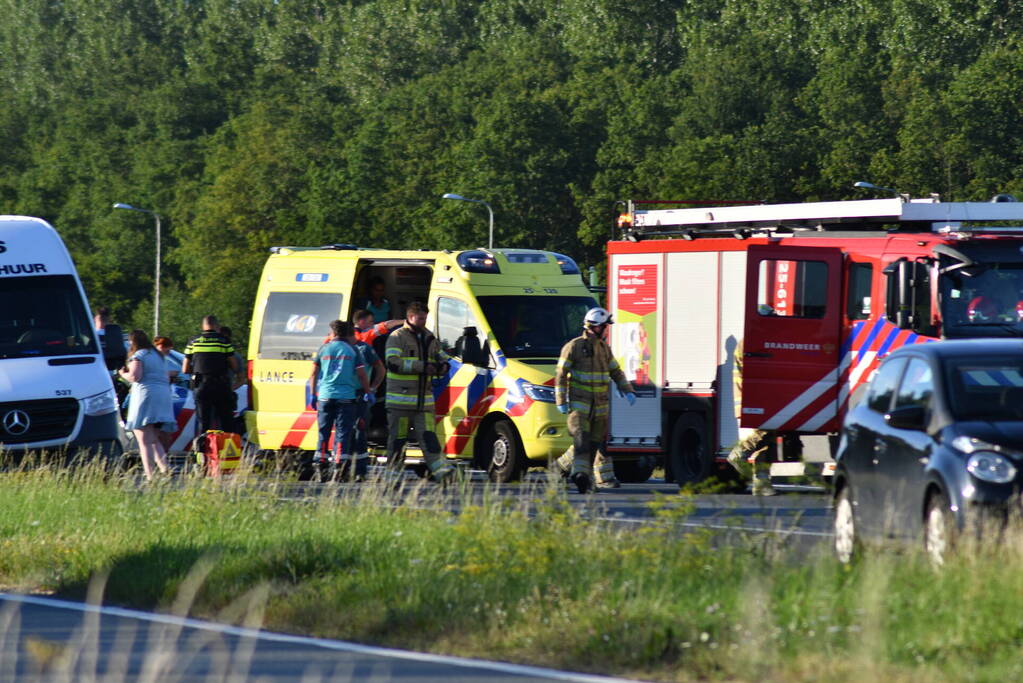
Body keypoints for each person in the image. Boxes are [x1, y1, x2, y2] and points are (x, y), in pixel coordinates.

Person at [554, 307, 635, 494]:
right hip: (579, 406)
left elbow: (615, 371)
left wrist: (628, 390)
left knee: (592, 445)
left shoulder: (604, 349)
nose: (606, 330)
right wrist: (561, 400)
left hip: (600, 408)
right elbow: (560, 374)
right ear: (594, 326)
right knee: (582, 440)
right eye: (604, 326)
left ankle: (563, 470)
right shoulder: (573, 347)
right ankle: (581, 477)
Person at [383, 301, 453, 483]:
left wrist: (443, 366)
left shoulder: (429, 337)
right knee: (398, 441)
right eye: (420, 318)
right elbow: (393, 362)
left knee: (430, 439)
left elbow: (442, 357)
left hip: (425, 403)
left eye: (425, 318)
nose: (423, 321)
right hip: (400, 402)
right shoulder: (397, 336)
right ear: (410, 317)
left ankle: (443, 474)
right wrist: (422, 366)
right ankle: (393, 477)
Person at [726, 339, 802, 496]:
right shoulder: (752, 342)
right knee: (767, 431)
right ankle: (741, 452)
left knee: (767, 442)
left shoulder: (745, 342)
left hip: (748, 398)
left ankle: (761, 484)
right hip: (753, 399)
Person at [310, 320, 372, 480]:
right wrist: (368, 391)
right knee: (342, 433)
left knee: (323, 433)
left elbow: (313, 373)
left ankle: (320, 466)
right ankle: (338, 467)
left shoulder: (324, 348)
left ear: (334, 333)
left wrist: (313, 394)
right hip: (346, 397)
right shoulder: (352, 350)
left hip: (325, 396)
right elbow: (362, 374)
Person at [118, 329, 173, 480]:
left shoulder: (139, 356)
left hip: (146, 397)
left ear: (132, 342)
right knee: (153, 438)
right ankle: (164, 467)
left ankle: (150, 475)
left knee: (143, 440)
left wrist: (122, 373)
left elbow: (135, 376)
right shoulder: (158, 355)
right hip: (163, 397)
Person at [181, 315, 238, 446]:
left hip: (201, 385)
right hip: (221, 385)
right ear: (216, 326)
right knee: (226, 421)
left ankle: (203, 456)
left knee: (203, 422)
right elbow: (234, 366)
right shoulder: (224, 341)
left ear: (203, 326)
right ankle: (228, 454)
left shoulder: (193, 342)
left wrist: (197, 371)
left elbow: (184, 369)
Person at [346, 319, 385, 481]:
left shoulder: (363, 348)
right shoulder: (338, 347)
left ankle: (359, 470)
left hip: (360, 395)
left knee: (359, 432)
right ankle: (344, 468)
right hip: (343, 395)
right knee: (345, 433)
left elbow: (380, 369)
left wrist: (372, 388)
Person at [93, 306, 127, 372]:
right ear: (109, 319)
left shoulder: (92, 336)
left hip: (94, 368)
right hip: (112, 369)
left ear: (95, 319)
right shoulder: (118, 336)